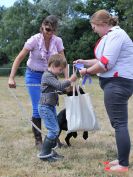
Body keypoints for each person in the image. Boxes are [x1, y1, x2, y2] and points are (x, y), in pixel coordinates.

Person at [74, 9, 133, 172]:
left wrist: (85, 72)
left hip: (117, 83)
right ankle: (121, 159)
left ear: (102, 24)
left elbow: (105, 64)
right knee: (118, 123)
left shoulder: (116, 35)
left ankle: (123, 164)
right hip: (116, 83)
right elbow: (101, 59)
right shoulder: (112, 36)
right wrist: (84, 62)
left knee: (119, 124)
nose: (94, 30)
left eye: (94, 27)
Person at [8, 15, 68, 150]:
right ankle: (38, 140)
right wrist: (11, 77)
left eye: (52, 30)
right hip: (33, 75)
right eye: (47, 29)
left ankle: (53, 138)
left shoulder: (58, 41)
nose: (49, 33)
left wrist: (67, 80)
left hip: (50, 76)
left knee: (51, 106)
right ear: (42, 27)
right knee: (38, 107)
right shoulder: (34, 40)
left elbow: (64, 61)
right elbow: (19, 58)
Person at [37, 53, 77, 161]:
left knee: (55, 129)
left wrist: (66, 90)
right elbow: (59, 85)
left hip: (50, 107)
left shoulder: (52, 75)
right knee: (53, 130)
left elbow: (57, 89)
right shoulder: (47, 75)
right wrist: (70, 80)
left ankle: (50, 152)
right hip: (45, 107)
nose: (60, 72)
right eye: (60, 69)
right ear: (53, 66)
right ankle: (44, 155)